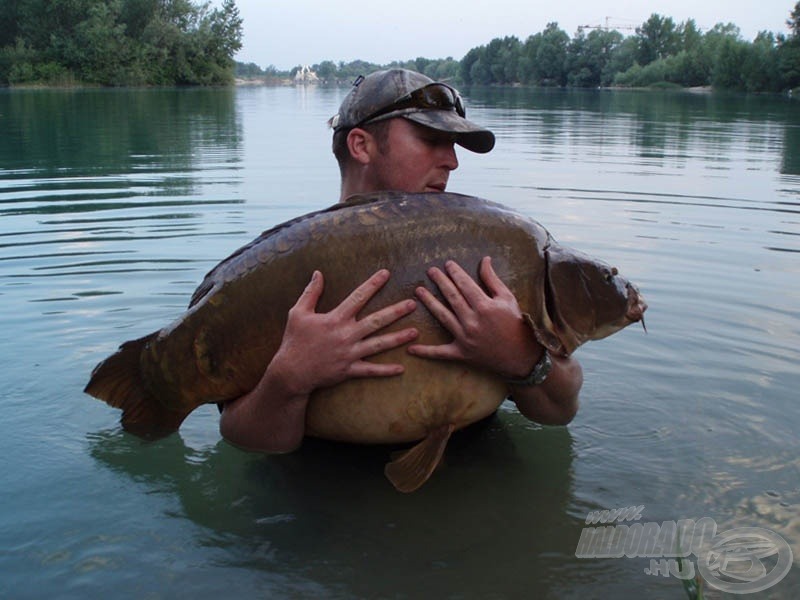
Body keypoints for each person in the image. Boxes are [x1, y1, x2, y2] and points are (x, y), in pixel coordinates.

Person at [219, 69, 583, 452]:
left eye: (454, 145)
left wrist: (523, 357)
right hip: (323, 493)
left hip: (477, 476)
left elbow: (561, 410)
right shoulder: (280, 270)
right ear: (361, 146)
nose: (452, 162)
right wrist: (289, 379)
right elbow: (245, 437)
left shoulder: (480, 254)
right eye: (431, 140)